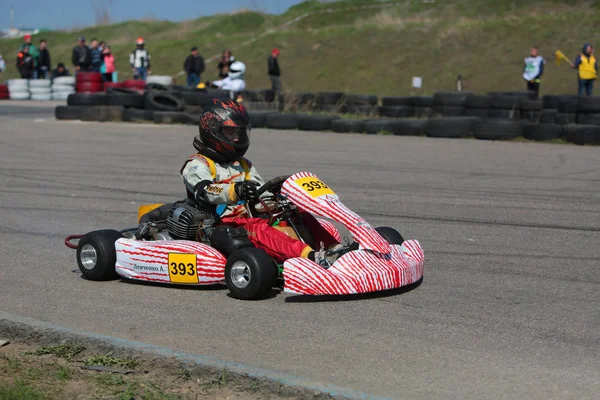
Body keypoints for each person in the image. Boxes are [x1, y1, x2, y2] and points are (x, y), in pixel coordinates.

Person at [180, 100, 343, 265]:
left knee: (298, 212)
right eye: (230, 132)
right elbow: (205, 192)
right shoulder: (198, 164)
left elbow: (259, 194)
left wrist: (277, 199)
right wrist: (236, 191)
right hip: (220, 223)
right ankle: (311, 257)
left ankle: (335, 249)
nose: (237, 138)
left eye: (239, 132)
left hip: (247, 217)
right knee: (258, 228)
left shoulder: (243, 164)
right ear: (212, 131)